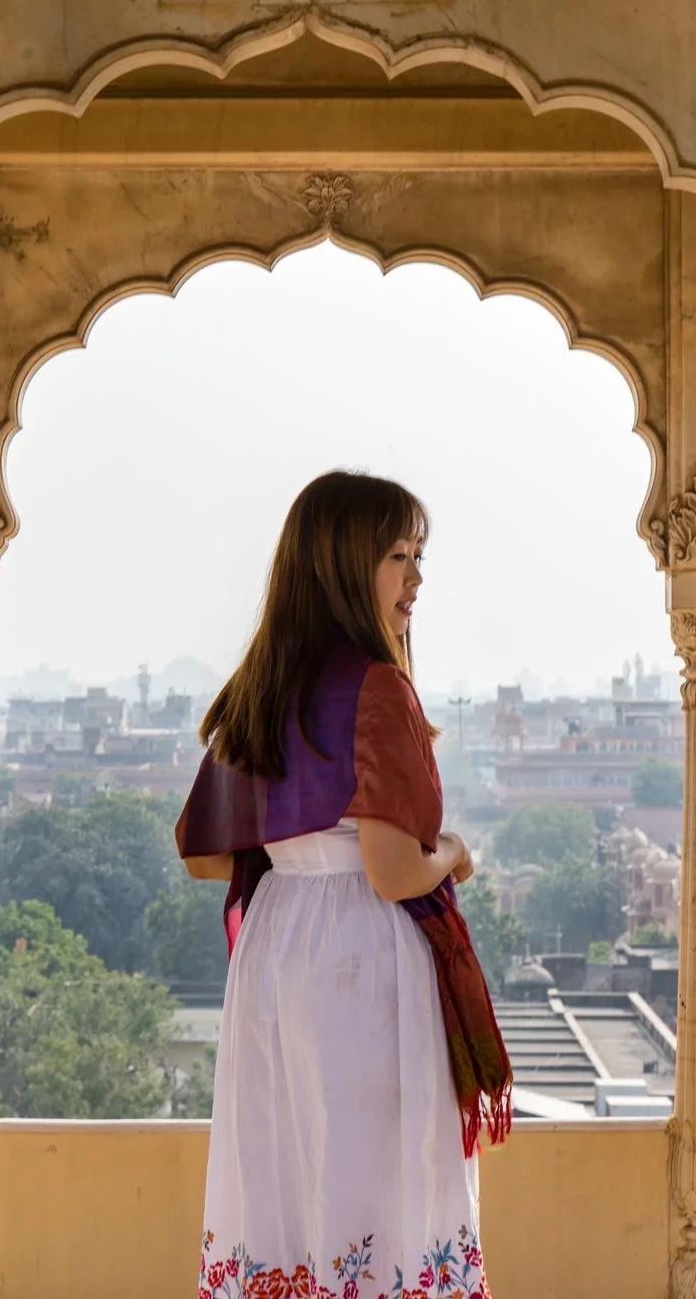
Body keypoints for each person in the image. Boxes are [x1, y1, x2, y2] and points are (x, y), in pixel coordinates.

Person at [177, 470, 510, 1299]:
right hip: (361, 956)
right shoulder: (378, 686)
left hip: (277, 952)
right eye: (399, 556)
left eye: (417, 555)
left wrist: (295, 848)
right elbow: (395, 871)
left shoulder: (266, 680)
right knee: (378, 1184)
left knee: (288, 1172)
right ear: (342, 567)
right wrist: (457, 853)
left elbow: (204, 854)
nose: (416, 578)